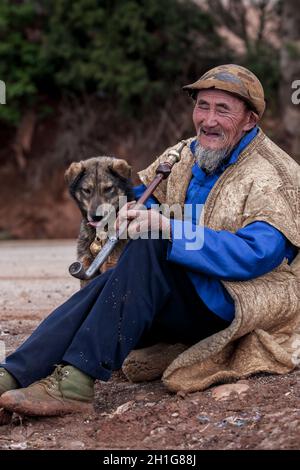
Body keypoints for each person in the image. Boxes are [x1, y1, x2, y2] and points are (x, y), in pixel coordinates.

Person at [0, 64, 299, 417]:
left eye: (223, 110)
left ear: (249, 120)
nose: (209, 120)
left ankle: (76, 381)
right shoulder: (189, 152)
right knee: (109, 283)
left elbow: (255, 255)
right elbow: (149, 194)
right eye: (202, 106)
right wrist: (133, 204)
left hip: (236, 304)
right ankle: (14, 373)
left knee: (153, 241)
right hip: (182, 291)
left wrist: (167, 228)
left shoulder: (274, 175)